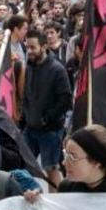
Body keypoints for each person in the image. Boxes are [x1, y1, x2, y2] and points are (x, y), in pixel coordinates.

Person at [22, 29, 71, 187]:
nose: (29, 51)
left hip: (50, 130)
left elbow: (65, 100)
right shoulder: (29, 66)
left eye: (33, 47)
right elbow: (27, 94)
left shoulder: (57, 69)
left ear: (43, 47)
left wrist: (47, 118)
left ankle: (55, 201)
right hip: (30, 128)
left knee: (51, 169)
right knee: (24, 165)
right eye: (27, 47)